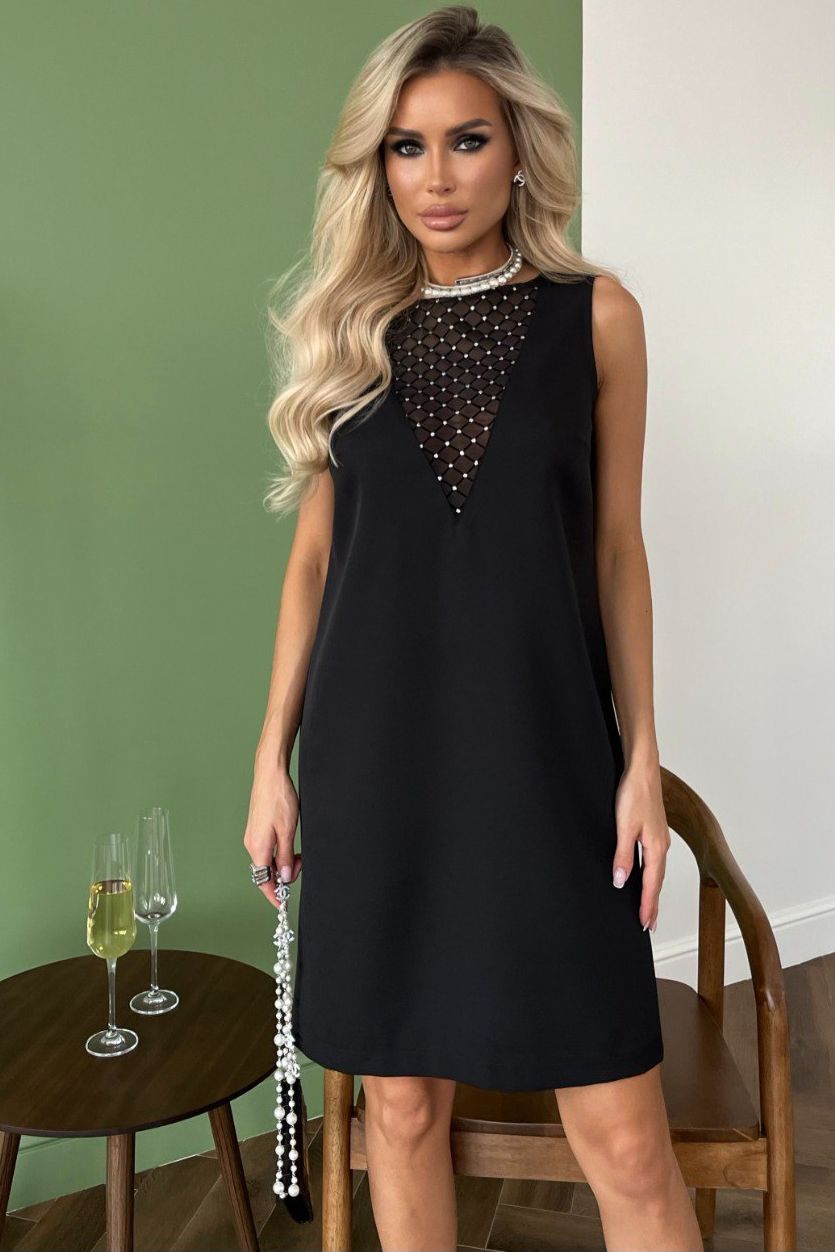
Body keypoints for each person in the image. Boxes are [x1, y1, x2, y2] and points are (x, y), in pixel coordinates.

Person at [244, 6, 703, 1250]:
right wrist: (270, 761)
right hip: (375, 765)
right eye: (405, 147)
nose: (435, 178)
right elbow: (313, 564)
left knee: (624, 1139)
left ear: (518, 151)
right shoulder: (351, 331)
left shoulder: (597, 316)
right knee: (396, 1109)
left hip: (544, 762)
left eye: (466, 140)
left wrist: (640, 759)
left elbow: (617, 549)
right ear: (376, 165)